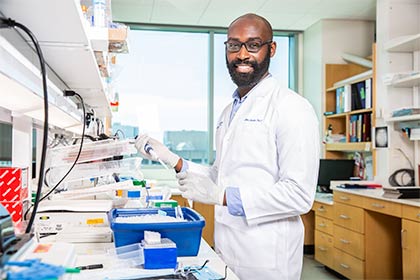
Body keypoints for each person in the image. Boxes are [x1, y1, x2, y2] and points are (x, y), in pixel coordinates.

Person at [135, 13, 320, 280]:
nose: (242, 54)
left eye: (253, 45)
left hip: (268, 257)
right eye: (234, 45)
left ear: (272, 48)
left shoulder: (292, 108)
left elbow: (299, 194)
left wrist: (222, 197)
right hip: (227, 249)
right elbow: (219, 175)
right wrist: (172, 159)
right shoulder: (228, 112)